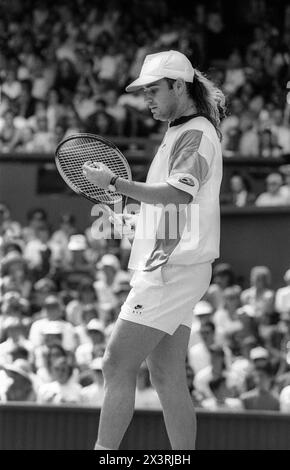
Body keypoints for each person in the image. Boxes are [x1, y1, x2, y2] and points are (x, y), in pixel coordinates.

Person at [82, 49, 225, 450]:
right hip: (176, 264)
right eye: (143, 92)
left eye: (153, 90)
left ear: (179, 86)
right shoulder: (180, 130)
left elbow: (177, 195)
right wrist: (135, 222)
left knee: (115, 363)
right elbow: (176, 210)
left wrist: (115, 184)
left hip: (171, 270)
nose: (146, 99)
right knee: (166, 375)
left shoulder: (195, 133)